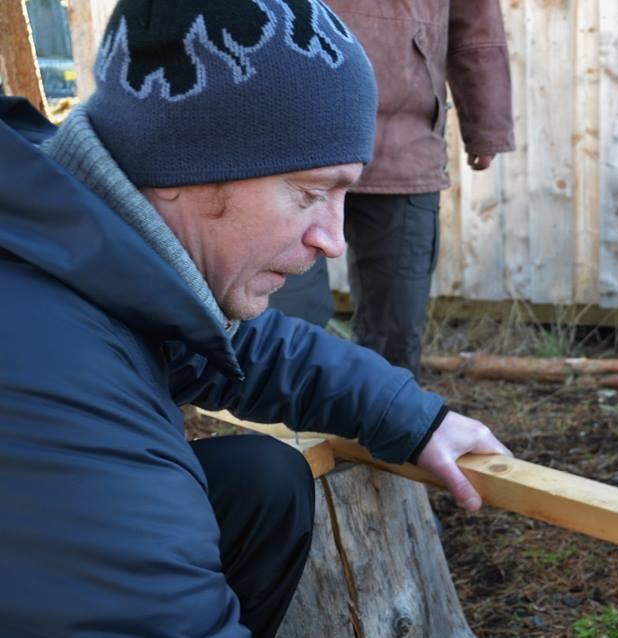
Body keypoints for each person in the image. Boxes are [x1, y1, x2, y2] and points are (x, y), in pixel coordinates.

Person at [0, 1, 512, 636]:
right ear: (182, 162)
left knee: (263, 485)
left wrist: (411, 416)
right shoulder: (57, 378)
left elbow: (233, 343)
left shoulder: (83, 241)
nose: (334, 240)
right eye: (308, 194)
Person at [268, 0, 516, 378]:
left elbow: (475, 21)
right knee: (284, 322)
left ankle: (383, 432)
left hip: (404, 147)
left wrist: (488, 124)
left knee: (394, 333)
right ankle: (279, 435)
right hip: (290, 140)